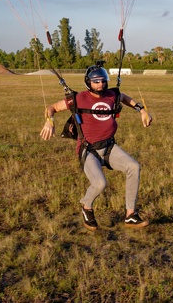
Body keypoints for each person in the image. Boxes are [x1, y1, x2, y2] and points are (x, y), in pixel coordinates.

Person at [39, 65, 153, 229]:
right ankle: (86, 206)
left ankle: (130, 215)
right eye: (96, 81)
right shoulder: (78, 99)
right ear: (88, 82)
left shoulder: (111, 95)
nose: (100, 84)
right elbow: (52, 108)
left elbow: (125, 98)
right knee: (100, 183)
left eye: (103, 81)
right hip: (88, 149)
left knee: (133, 167)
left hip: (109, 147)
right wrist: (49, 121)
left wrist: (142, 110)